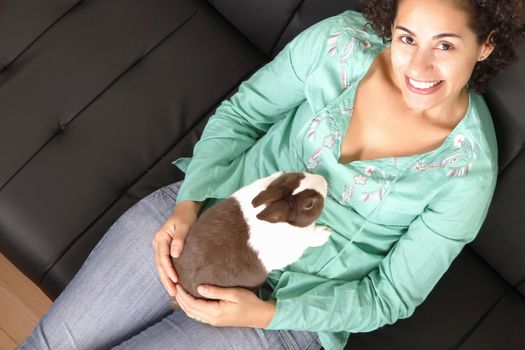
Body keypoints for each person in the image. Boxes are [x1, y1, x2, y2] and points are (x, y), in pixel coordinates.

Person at [20, 0, 524, 349]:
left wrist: (264, 315)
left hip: (285, 312)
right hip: (211, 221)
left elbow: (387, 296)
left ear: (485, 46)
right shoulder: (340, 44)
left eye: (445, 45)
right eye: (406, 36)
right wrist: (187, 204)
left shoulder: (466, 174)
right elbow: (242, 116)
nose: (417, 65)